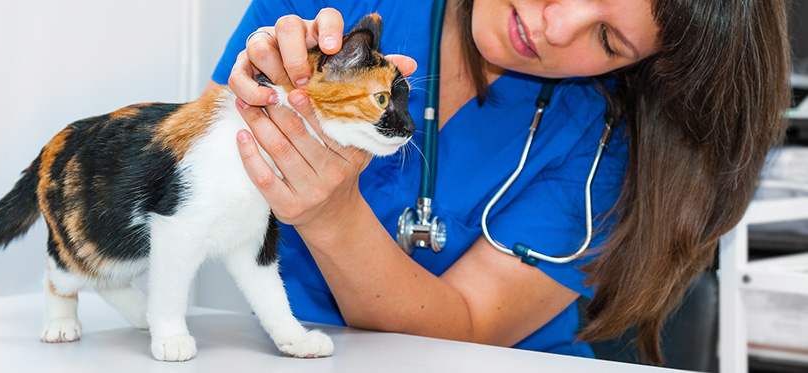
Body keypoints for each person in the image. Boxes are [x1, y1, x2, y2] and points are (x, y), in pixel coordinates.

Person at [205, 0, 791, 363]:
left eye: (608, 40)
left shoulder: (598, 145)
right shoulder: (325, 17)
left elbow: (463, 328)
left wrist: (334, 217)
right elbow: (193, 187)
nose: (556, 26)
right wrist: (249, 110)